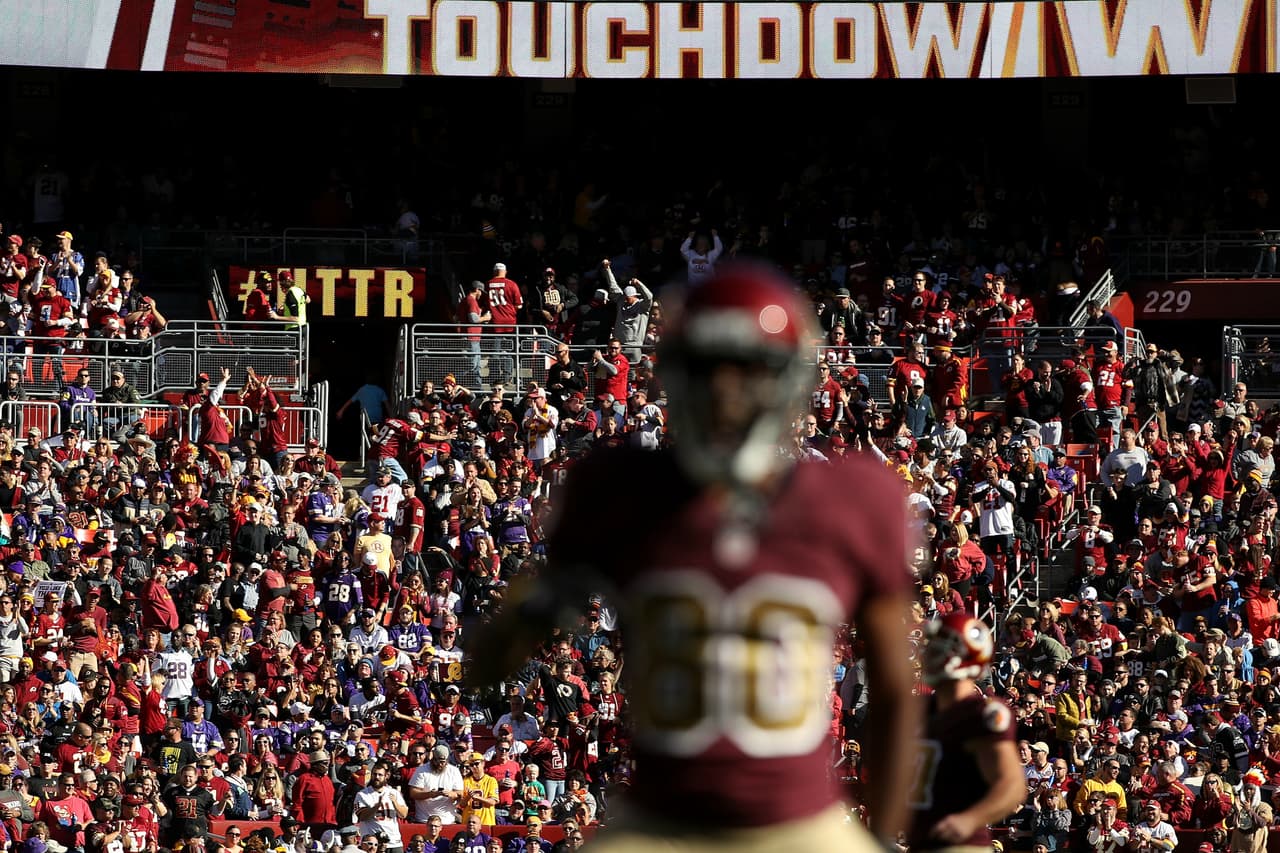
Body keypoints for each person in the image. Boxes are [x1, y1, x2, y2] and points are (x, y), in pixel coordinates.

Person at [474, 264, 918, 850]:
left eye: (749, 371)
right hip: (659, 825)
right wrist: (544, 596)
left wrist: (883, 837)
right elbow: (484, 668)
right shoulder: (615, 488)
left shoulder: (854, 496)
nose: (726, 393)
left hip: (802, 823)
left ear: (787, 378)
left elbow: (892, 690)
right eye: (708, 370)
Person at [908, 613, 1026, 851]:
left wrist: (969, 819)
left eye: (940, 646)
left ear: (965, 654)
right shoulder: (923, 709)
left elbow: (1012, 785)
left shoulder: (981, 714)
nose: (929, 653)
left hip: (960, 845)